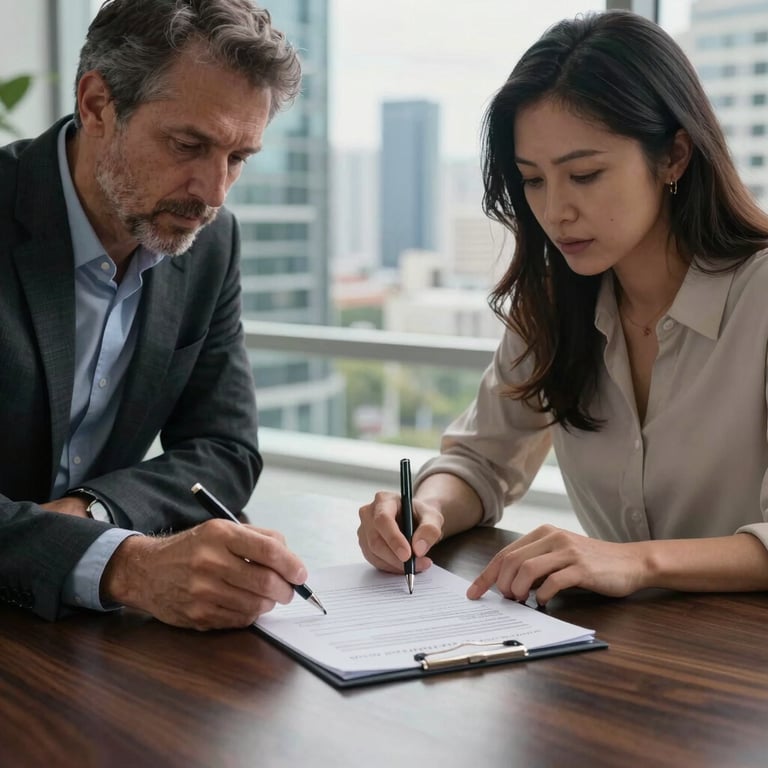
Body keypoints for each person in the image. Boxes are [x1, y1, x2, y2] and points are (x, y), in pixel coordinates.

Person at [358, 10, 768, 605]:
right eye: (533, 180)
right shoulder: (555, 299)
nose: (556, 212)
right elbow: (482, 460)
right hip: (626, 657)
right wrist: (425, 509)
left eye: (585, 174)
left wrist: (634, 562)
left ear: (675, 155)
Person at [0, 0, 310, 630]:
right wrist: (123, 565)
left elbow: (224, 448)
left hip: (89, 646)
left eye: (238, 157)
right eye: (188, 144)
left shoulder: (210, 245)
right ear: (96, 106)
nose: (213, 193)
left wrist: (95, 512)